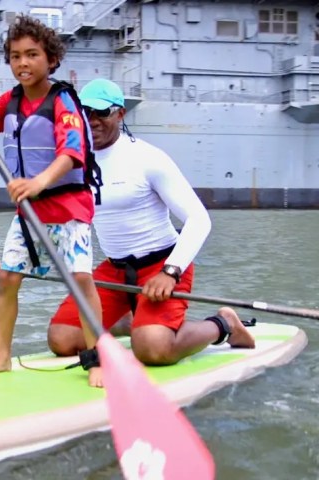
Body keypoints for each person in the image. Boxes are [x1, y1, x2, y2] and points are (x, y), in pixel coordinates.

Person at [48, 78, 256, 385]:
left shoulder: (148, 158)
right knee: (62, 339)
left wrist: (170, 272)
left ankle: (223, 324)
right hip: (115, 270)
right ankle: (138, 318)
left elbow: (199, 219)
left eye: (101, 113)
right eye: (85, 112)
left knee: (153, 349)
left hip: (162, 265)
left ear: (120, 114)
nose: (92, 120)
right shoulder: (73, 161)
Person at [0, 15, 104, 385]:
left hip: (68, 207)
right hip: (31, 210)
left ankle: (98, 360)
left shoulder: (63, 100)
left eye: (32, 54)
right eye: (16, 56)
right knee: (6, 277)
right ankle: (2, 356)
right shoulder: (11, 100)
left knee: (81, 280)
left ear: (51, 59)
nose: (23, 63)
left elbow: (72, 154)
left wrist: (38, 182)